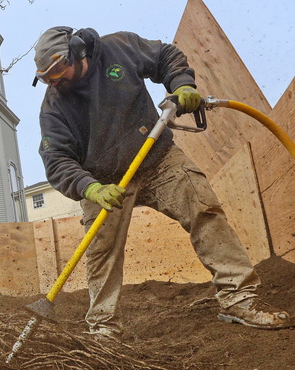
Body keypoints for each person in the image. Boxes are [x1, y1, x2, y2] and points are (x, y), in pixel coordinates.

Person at [32, 26, 291, 340]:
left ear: (77, 51)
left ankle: (238, 298)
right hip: (103, 183)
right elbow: (57, 159)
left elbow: (166, 56)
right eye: (47, 77)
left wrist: (182, 84)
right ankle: (103, 328)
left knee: (204, 210)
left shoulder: (119, 48)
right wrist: (92, 188)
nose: (56, 80)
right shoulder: (54, 107)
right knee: (102, 251)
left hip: (156, 156)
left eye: (59, 70)